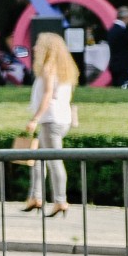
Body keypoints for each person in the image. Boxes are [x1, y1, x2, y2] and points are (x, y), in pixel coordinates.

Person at [23, 30, 80, 217]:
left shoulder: (49, 68)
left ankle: (60, 200)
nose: (35, 47)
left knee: (54, 161)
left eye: (38, 44)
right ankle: (36, 197)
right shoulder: (65, 69)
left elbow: (47, 96)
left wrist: (35, 119)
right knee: (39, 159)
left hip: (50, 120)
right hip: (62, 119)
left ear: (46, 48)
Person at [106, 5, 128, 88]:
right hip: (124, 63)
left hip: (114, 62)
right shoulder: (123, 31)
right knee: (124, 85)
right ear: (126, 17)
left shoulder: (111, 30)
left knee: (116, 86)